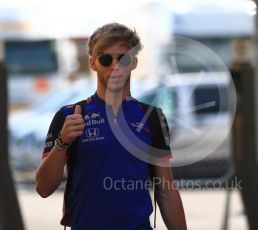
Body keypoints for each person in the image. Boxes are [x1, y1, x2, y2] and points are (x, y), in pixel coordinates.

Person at [35, 22, 187, 230]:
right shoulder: (69, 116)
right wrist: (62, 142)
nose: (115, 66)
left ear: (133, 62)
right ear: (93, 63)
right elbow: (43, 188)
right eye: (106, 59)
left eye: (123, 58)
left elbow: (166, 190)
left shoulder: (151, 117)